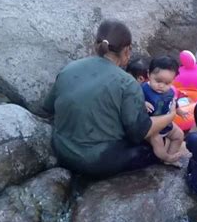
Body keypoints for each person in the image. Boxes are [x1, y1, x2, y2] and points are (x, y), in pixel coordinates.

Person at [43, 19, 176, 178]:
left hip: (61, 149)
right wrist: (170, 116)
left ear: (96, 45)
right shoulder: (127, 83)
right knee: (152, 148)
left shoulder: (69, 68)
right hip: (95, 161)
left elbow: (48, 107)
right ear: (127, 50)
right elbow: (140, 132)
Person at [142, 56, 185, 166]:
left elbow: (173, 102)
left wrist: (179, 110)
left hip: (166, 123)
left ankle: (170, 157)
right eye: (158, 81)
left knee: (179, 135)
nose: (161, 86)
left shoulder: (170, 92)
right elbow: (132, 100)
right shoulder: (142, 89)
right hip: (151, 128)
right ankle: (166, 157)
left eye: (167, 83)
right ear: (148, 74)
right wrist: (142, 103)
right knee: (158, 144)